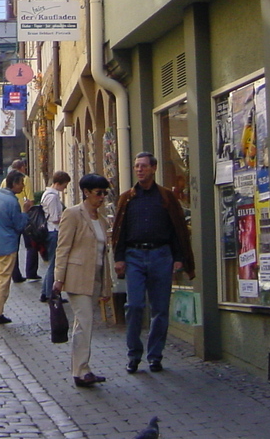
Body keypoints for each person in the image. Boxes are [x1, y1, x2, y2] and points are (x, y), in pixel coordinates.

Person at [112, 152, 194, 374]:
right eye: (137, 166)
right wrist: (119, 258)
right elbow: (119, 230)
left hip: (161, 255)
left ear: (153, 169)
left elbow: (177, 229)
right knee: (135, 305)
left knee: (160, 309)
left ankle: (155, 356)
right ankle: (133, 354)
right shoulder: (127, 198)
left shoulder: (166, 197)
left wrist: (178, 258)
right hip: (135, 256)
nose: (139, 170)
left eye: (144, 166)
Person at [53, 173, 112, 387]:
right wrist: (58, 278)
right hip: (77, 276)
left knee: (84, 323)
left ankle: (81, 368)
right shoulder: (73, 214)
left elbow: (102, 253)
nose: (102, 197)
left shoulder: (101, 219)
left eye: (105, 193)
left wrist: (106, 282)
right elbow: (63, 247)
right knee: (85, 321)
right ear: (86, 193)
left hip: (95, 276)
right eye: (99, 193)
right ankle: (81, 371)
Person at [0, 169, 32, 325]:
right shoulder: (13, 202)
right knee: (3, 280)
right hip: (7, 246)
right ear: (14, 183)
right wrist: (26, 212)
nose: (22, 187)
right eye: (21, 184)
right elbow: (18, 226)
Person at [2, 159, 38, 282]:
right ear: (22, 167)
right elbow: (30, 198)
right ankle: (31, 272)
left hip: (10, 217)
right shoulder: (25, 179)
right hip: (24, 215)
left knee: (14, 246)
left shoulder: (4, 181)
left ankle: (15, 274)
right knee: (31, 245)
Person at [40, 172, 71, 302]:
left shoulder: (47, 194)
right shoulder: (52, 197)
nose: (65, 188)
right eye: (64, 185)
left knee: (53, 263)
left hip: (51, 231)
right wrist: (66, 218)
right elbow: (54, 218)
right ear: (59, 183)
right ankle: (49, 294)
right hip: (54, 232)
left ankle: (45, 292)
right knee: (54, 264)